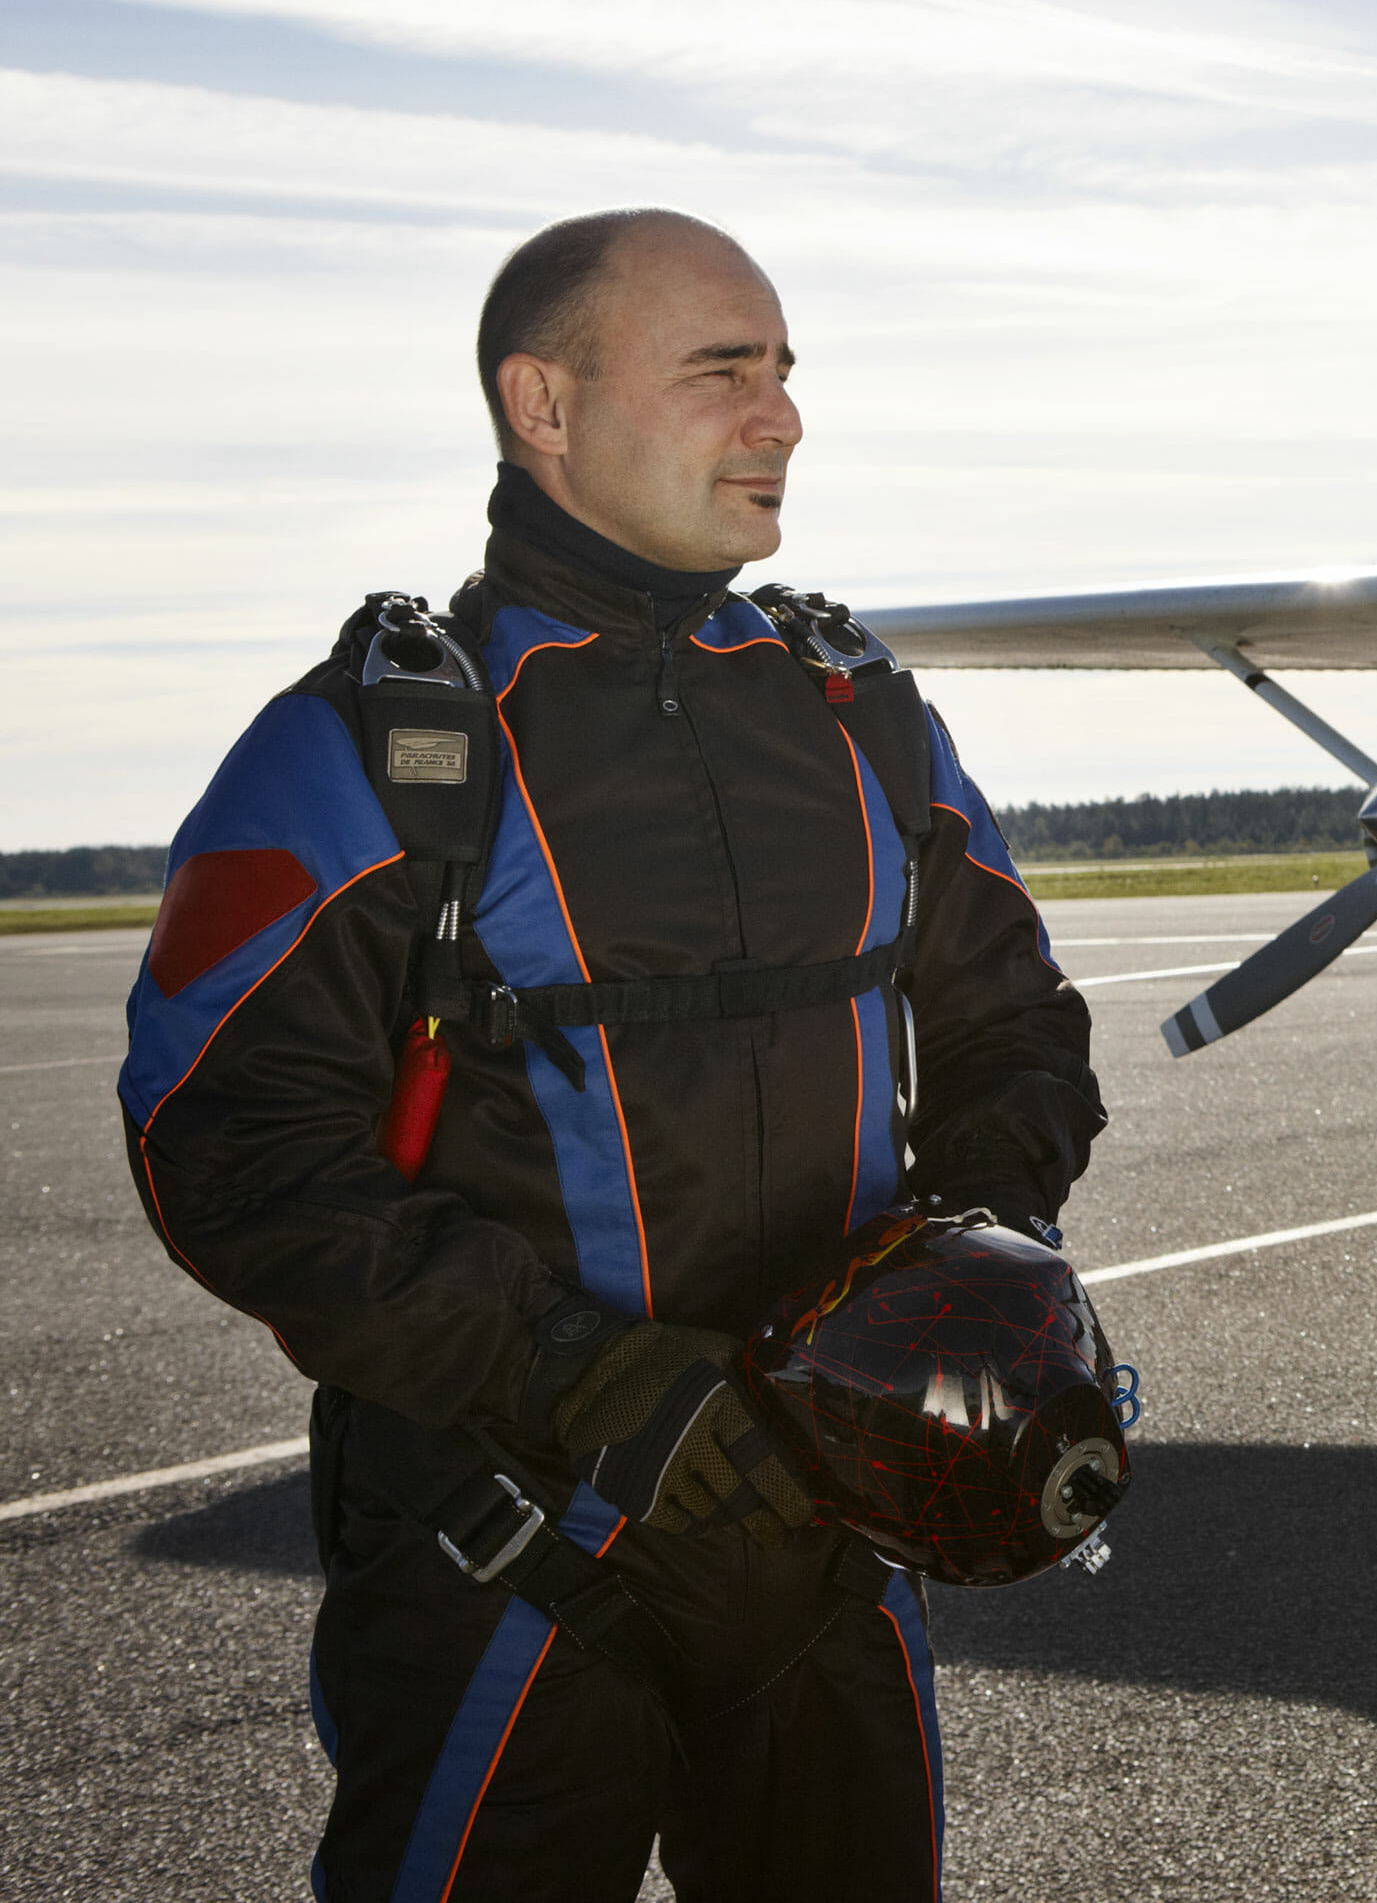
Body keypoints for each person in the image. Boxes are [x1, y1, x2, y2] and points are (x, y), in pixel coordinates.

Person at [115, 209, 1104, 1901]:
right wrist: (590, 1384)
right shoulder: (369, 750)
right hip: (510, 1555)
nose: (781, 416)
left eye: (785, 373)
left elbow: (1019, 1031)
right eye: (723, 370)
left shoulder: (867, 719)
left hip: (833, 1556)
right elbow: (226, 1146)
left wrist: (971, 1266)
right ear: (543, 406)